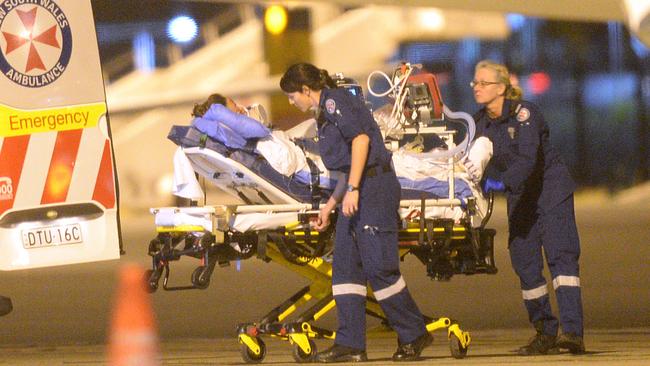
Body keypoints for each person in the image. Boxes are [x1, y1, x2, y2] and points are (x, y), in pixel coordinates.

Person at [280, 63, 432, 363]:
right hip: (356, 189)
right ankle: (351, 343)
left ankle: (415, 332)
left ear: (306, 90)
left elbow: (361, 141)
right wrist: (330, 206)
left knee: (379, 267)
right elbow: (345, 168)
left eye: (291, 95)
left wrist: (353, 189)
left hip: (374, 188)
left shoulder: (336, 102)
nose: (290, 101)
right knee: (346, 269)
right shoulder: (323, 116)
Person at [467, 59, 585, 355]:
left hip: (549, 191)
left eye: (483, 83)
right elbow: (465, 153)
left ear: (501, 88)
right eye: (475, 83)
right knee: (524, 262)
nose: (477, 88)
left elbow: (528, 160)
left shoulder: (525, 115)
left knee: (562, 260)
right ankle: (544, 331)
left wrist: (499, 184)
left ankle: (572, 333)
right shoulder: (479, 121)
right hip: (521, 197)